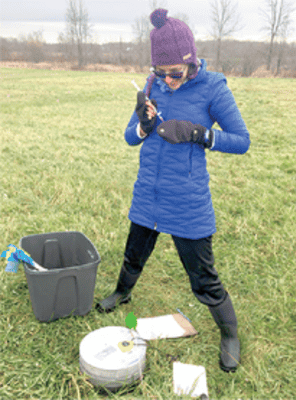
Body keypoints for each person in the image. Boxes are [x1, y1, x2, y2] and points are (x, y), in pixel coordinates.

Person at [97, 8, 250, 373]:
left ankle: (230, 334)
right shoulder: (153, 87)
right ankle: (122, 291)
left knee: (204, 278)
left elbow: (242, 141)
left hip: (187, 200)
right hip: (149, 192)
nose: (169, 81)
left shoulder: (213, 88)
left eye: (176, 73)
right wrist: (145, 125)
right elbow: (129, 137)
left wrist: (200, 134)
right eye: (161, 73)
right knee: (133, 252)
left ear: (192, 62)